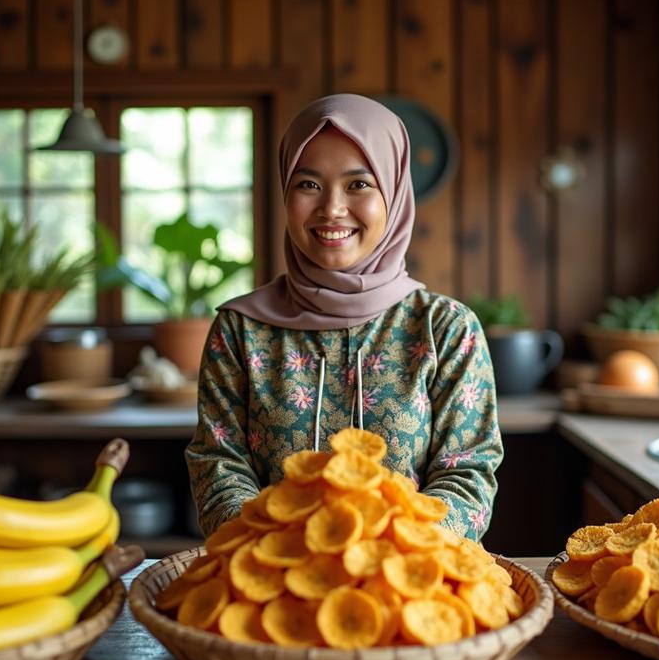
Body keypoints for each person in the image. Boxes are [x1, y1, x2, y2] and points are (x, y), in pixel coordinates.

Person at [186, 94, 502, 541]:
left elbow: (466, 475)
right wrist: (285, 553)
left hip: (405, 570)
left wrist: (388, 554)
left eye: (358, 184)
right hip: (275, 570)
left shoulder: (446, 330)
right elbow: (219, 465)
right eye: (308, 184)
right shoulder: (240, 330)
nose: (332, 208)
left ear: (394, 192)